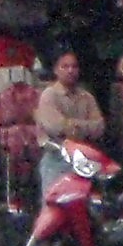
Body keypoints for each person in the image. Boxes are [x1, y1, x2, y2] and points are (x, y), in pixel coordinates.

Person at [33, 48, 105, 196]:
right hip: (56, 159)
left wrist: (70, 125)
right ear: (56, 70)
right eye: (65, 66)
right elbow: (55, 127)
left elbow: (99, 127)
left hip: (84, 159)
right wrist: (84, 127)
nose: (70, 70)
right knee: (55, 205)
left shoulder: (87, 97)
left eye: (74, 66)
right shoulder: (49, 96)